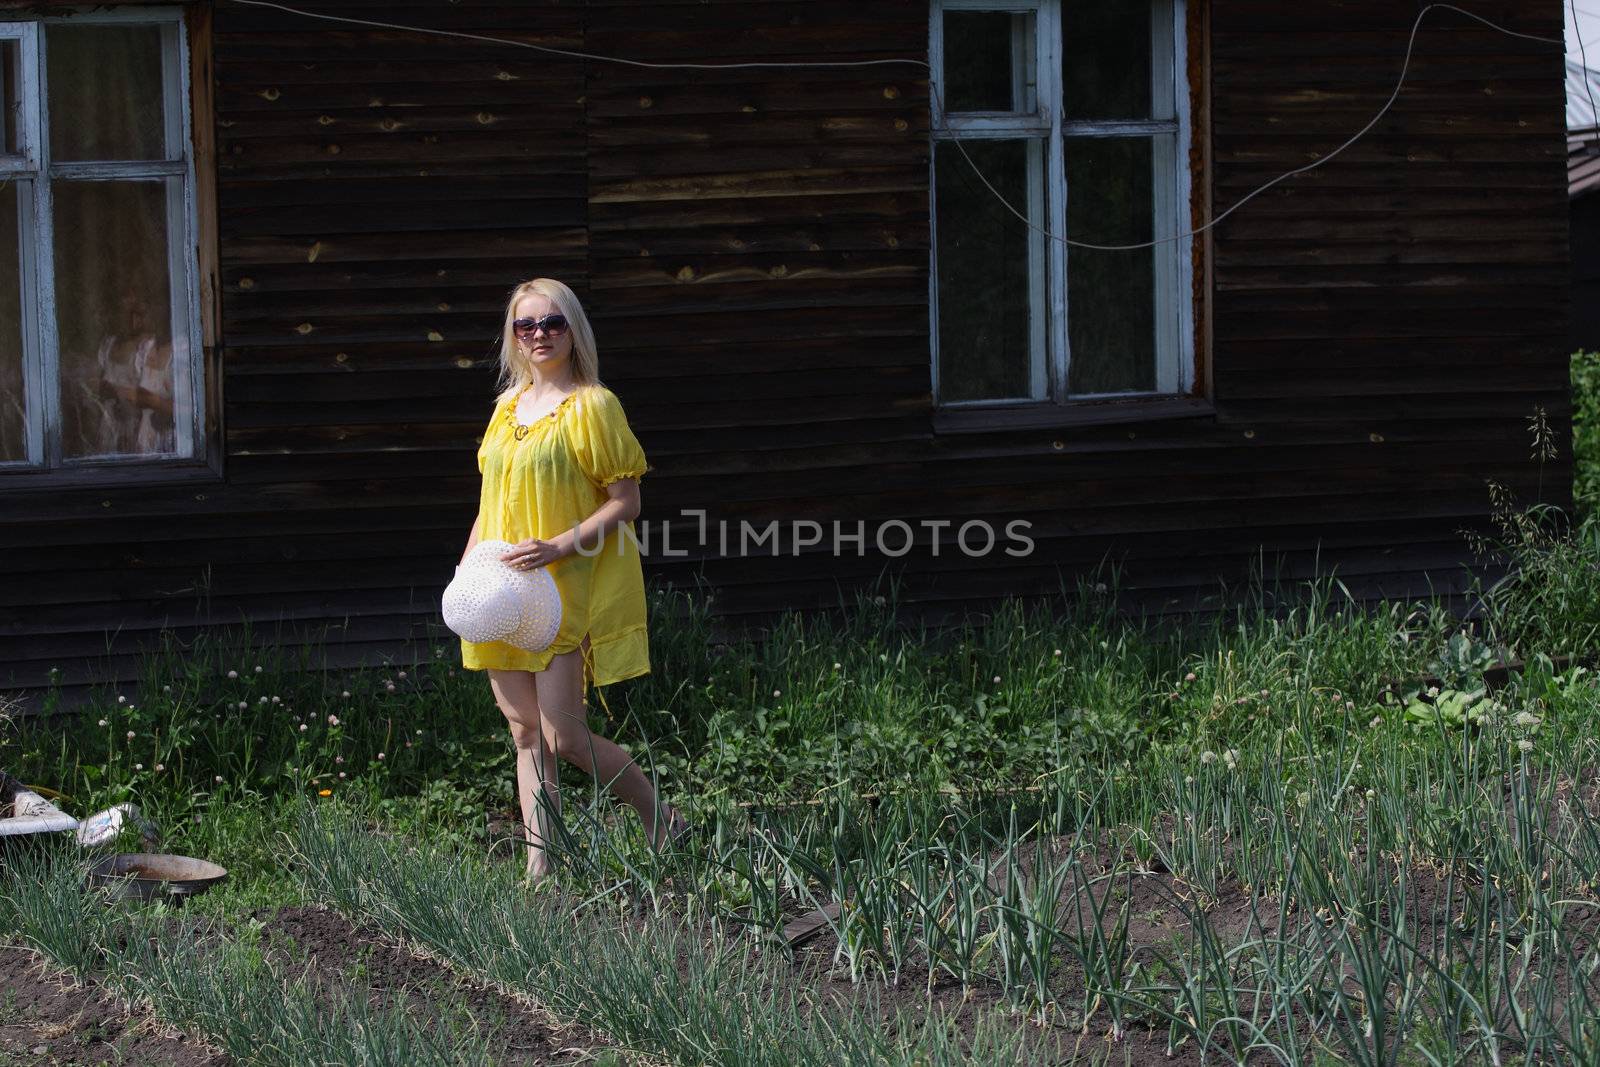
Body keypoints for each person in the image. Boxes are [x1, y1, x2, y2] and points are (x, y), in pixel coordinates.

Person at [459, 277, 686, 882]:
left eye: (553, 323)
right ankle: (541, 868)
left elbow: (626, 501)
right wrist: (468, 568)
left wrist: (558, 546)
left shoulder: (593, 406)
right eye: (526, 325)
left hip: (564, 584)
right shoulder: (505, 410)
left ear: (574, 330)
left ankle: (662, 817)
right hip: (501, 589)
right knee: (526, 732)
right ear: (512, 336)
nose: (539, 335)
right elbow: (491, 501)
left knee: (564, 735)